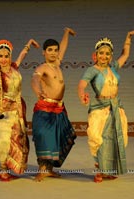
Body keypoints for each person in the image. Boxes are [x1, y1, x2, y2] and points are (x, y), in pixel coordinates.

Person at [77, 29, 134, 183]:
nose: (104, 56)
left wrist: (128, 37)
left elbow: (125, 55)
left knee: (114, 138)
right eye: (101, 53)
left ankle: (108, 171)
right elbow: (81, 85)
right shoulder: (92, 70)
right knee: (98, 138)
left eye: (107, 53)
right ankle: (100, 170)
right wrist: (82, 95)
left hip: (115, 106)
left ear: (111, 56)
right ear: (96, 54)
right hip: (100, 108)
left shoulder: (113, 67)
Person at [0, 38, 40, 182]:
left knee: (18, 139)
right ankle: (2, 169)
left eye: (6, 56)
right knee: (4, 139)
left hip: (18, 108)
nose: (4, 59)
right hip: (4, 110)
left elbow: (22, 55)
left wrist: (29, 43)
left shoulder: (14, 68)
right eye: (1, 56)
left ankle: (12, 167)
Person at [31, 27, 77, 182]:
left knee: (57, 139)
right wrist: (38, 91)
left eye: (55, 50)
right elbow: (35, 79)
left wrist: (66, 33)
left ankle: (49, 170)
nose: (54, 52)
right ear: (43, 52)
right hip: (45, 110)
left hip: (59, 109)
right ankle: (42, 169)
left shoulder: (57, 63)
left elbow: (64, 47)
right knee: (44, 138)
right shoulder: (42, 67)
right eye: (50, 50)